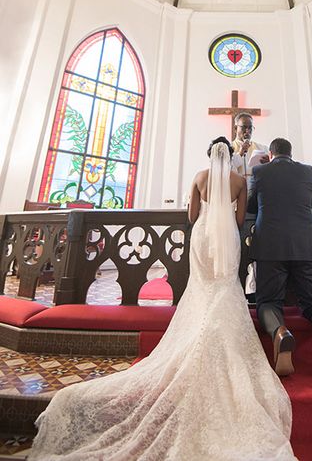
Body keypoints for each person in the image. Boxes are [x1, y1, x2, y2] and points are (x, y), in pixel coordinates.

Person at [29, 137, 296, 461]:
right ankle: (220, 336)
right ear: (229, 157)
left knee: (203, 287)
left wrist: (203, 208)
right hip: (227, 237)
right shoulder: (239, 181)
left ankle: (199, 331)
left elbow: (192, 215)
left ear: (209, 155)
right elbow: (241, 221)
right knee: (225, 287)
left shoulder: (199, 178)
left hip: (202, 238)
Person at [247, 137, 312, 377]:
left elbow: (252, 206)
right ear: (290, 153)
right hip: (305, 242)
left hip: (271, 245)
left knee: (269, 301)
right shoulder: (306, 170)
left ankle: (280, 334)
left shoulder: (260, 171)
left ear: (270, 154)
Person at [232, 112, 269, 180]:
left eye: (250, 127)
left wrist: (268, 164)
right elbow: (226, 170)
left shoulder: (262, 148)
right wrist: (240, 153)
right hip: (237, 187)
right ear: (235, 128)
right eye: (244, 127)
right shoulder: (229, 148)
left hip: (256, 187)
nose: (247, 131)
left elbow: (270, 171)